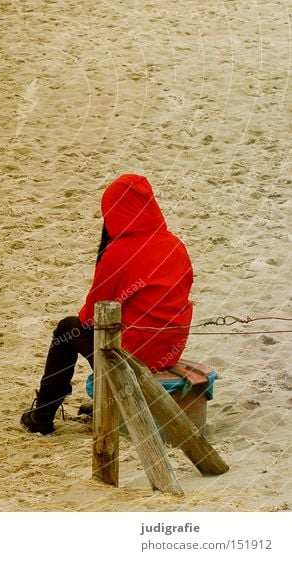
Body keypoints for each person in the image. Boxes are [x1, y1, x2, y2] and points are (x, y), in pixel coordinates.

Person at [21, 173, 194, 435]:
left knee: (67, 329)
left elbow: (91, 316)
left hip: (136, 354)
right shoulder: (174, 244)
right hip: (169, 347)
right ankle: (96, 400)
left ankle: (43, 415)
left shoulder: (121, 252)